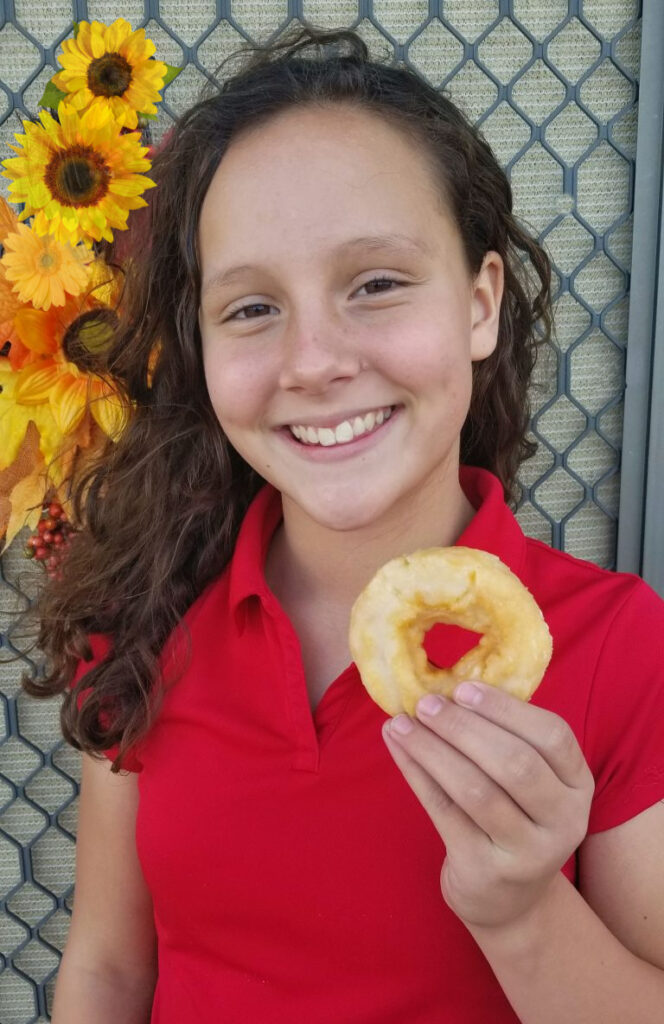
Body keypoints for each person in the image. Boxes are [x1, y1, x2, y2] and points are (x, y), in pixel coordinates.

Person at [27, 25, 664, 1024]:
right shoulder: (140, 618)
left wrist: (522, 912)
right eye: (250, 308)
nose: (313, 360)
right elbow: (108, 969)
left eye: (375, 283)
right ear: (202, 346)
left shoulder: (619, 645)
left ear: (479, 303)